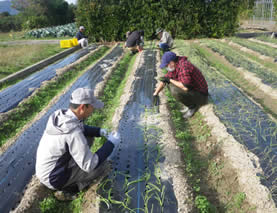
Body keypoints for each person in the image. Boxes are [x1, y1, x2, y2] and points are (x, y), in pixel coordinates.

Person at [36, 88, 120, 200]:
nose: (93, 109)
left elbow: (82, 128)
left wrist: (99, 131)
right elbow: (90, 165)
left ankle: (76, 164)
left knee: (88, 137)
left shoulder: (62, 117)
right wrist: (111, 143)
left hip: (45, 170)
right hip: (54, 177)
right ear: (82, 107)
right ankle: (71, 189)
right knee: (102, 166)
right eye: (91, 106)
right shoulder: (73, 133)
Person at [153, 52, 208, 119]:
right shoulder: (176, 65)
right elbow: (165, 80)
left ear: (172, 62)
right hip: (193, 90)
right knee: (170, 84)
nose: (166, 67)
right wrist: (155, 94)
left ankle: (192, 107)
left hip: (202, 96)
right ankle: (190, 104)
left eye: (167, 65)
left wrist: (170, 80)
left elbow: (185, 87)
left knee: (174, 90)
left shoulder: (184, 66)